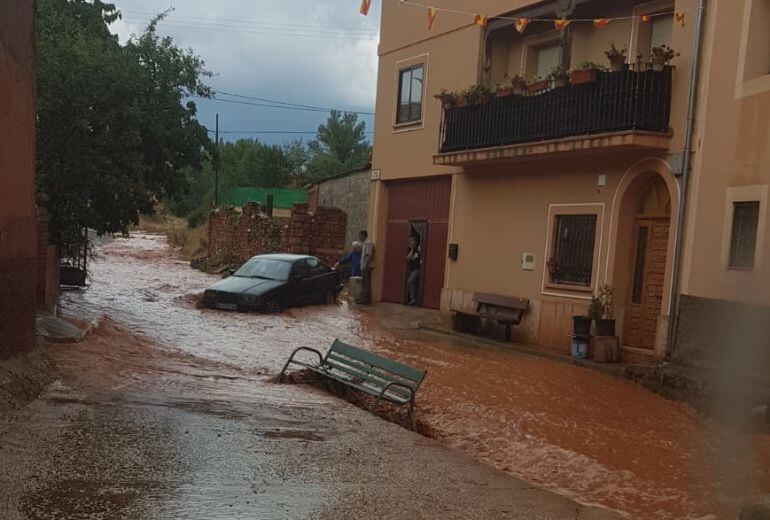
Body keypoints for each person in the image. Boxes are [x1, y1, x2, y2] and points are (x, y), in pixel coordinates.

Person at [357, 230, 374, 305]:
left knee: (366, 283)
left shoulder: (368, 243)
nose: (359, 237)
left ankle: (365, 299)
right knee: (364, 282)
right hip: (364, 265)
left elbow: (368, 255)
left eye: (360, 236)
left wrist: (365, 264)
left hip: (367, 266)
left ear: (363, 235)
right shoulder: (364, 243)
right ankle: (363, 298)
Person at [406, 235, 422, 306]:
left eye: (412, 241)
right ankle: (413, 299)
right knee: (413, 283)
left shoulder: (418, 249)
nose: (411, 242)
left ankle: (413, 299)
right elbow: (408, 258)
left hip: (417, 269)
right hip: (410, 269)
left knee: (410, 281)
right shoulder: (409, 250)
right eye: (410, 241)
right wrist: (412, 250)